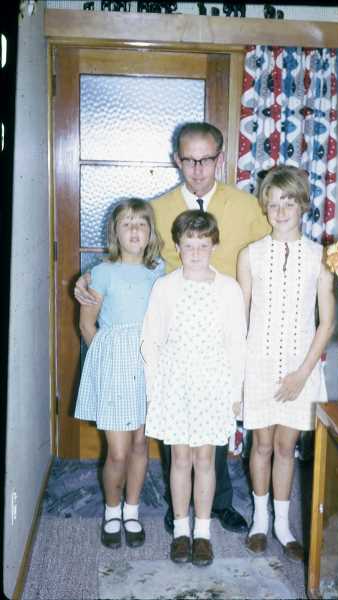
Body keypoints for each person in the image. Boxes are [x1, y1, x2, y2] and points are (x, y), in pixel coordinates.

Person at [74, 121, 271, 535]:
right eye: (189, 160)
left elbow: (267, 254)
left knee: (213, 433)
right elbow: (132, 260)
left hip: (219, 333)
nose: (198, 169)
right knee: (174, 432)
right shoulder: (157, 209)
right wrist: (86, 280)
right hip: (175, 336)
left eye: (206, 160)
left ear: (220, 159)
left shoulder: (246, 206)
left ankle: (218, 504)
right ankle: (177, 507)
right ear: (176, 160)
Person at [237, 165, 335, 561]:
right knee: (261, 445)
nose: (280, 211)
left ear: (303, 205)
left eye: (288, 202)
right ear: (264, 206)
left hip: (300, 368)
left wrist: (302, 374)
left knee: (285, 446)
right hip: (258, 366)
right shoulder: (250, 255)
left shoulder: (319, 257)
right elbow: (240, 319)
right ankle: (260, 521)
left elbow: (326, 323)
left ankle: (283, 525)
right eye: (273, 203)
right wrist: (237, 377)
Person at [140, 210, 247, 565]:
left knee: (205, 459)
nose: (196, 252)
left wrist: (235, 394)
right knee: (180, 458)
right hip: (174, 384)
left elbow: (237, 345)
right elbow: (151, 341)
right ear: (177, 247)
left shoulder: (229, 289)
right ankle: (181, 530)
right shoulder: (165, 287)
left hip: (213, 385)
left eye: (203, 245)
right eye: (189, 245)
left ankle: (202, 532)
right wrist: (155, 390)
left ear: (214, 246)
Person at [74, 198, 164, 549]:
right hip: (115, 366)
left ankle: (132, 510)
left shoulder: (160, 270)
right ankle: (112, 511)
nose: (134, 230)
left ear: (150, 232)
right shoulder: (101, 273)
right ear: (115, 232)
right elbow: (87, 325)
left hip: (147, 364)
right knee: (118, 451)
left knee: (141, 443)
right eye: (126, 224)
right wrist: (106, 362)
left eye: (141, 223)